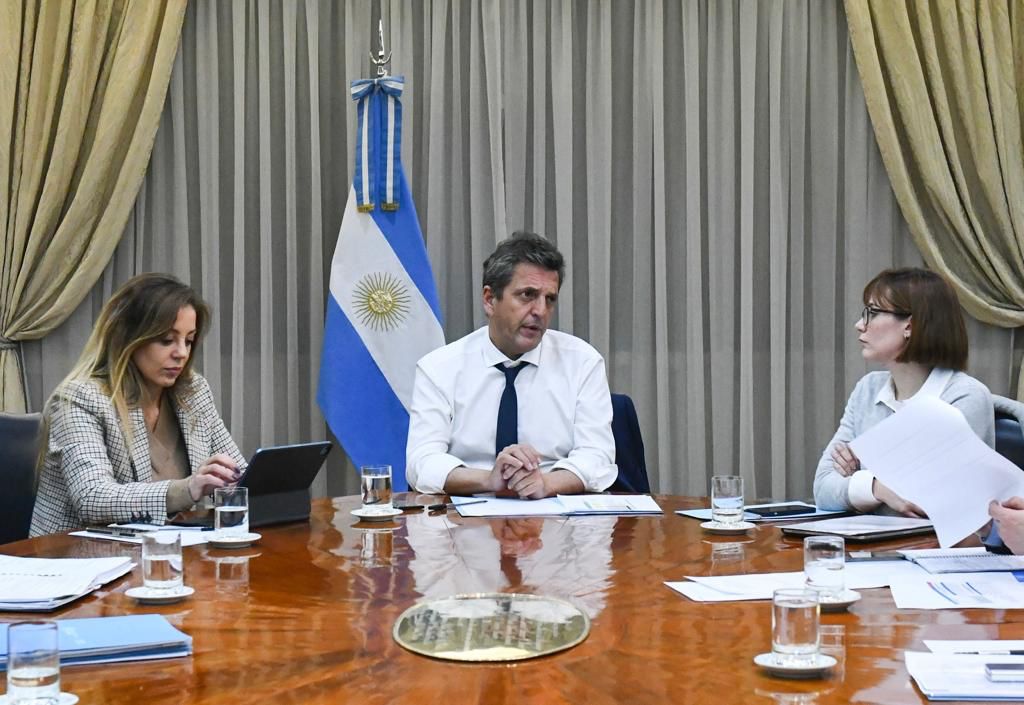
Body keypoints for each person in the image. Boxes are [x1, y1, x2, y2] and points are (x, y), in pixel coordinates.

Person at [406, 231, 617, 499]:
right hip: (466, 524)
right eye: (527, 295)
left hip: (557, 518)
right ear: (489, 300)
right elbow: (421, 463)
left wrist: (546, 483)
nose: (540, 310)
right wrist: (489, 479)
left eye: (549, 299)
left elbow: (597, 458)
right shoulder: (439, 368)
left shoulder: (582, 362)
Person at [30, 274, 245, 536]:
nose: (181, 353)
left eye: (188, 340)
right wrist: (188, 489)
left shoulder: (193, 392)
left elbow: (237, 472)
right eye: (167, 340)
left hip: (171, 554)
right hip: (80, 561)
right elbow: (93, 499)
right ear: (127, 339)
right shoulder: (79, 398)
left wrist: (244, 482)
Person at [813, 267, 994, 516]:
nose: (859, 324)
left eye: (873, 313)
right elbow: (823, 488)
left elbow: (929, 499)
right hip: (868, 548)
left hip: (933, 549)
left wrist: (858, 478)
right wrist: (878, 487)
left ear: (910, 325)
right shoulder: (867, 389)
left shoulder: (964, 397)